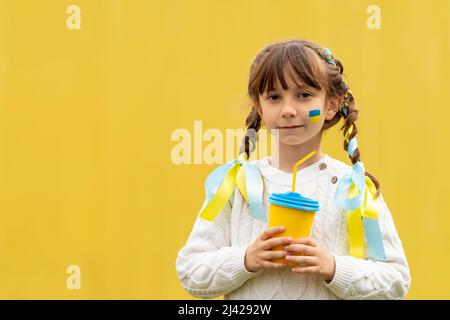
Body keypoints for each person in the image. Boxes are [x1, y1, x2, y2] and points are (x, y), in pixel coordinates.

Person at [176, 39, 411, 299]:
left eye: (304, 95)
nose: (288, 110)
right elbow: (190, 271)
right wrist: (245, 259)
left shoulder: (353, 189)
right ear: (259, 108)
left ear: (331, 105)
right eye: (274, 97)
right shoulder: (237, 185)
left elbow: (396, 281)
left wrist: (334, 267)